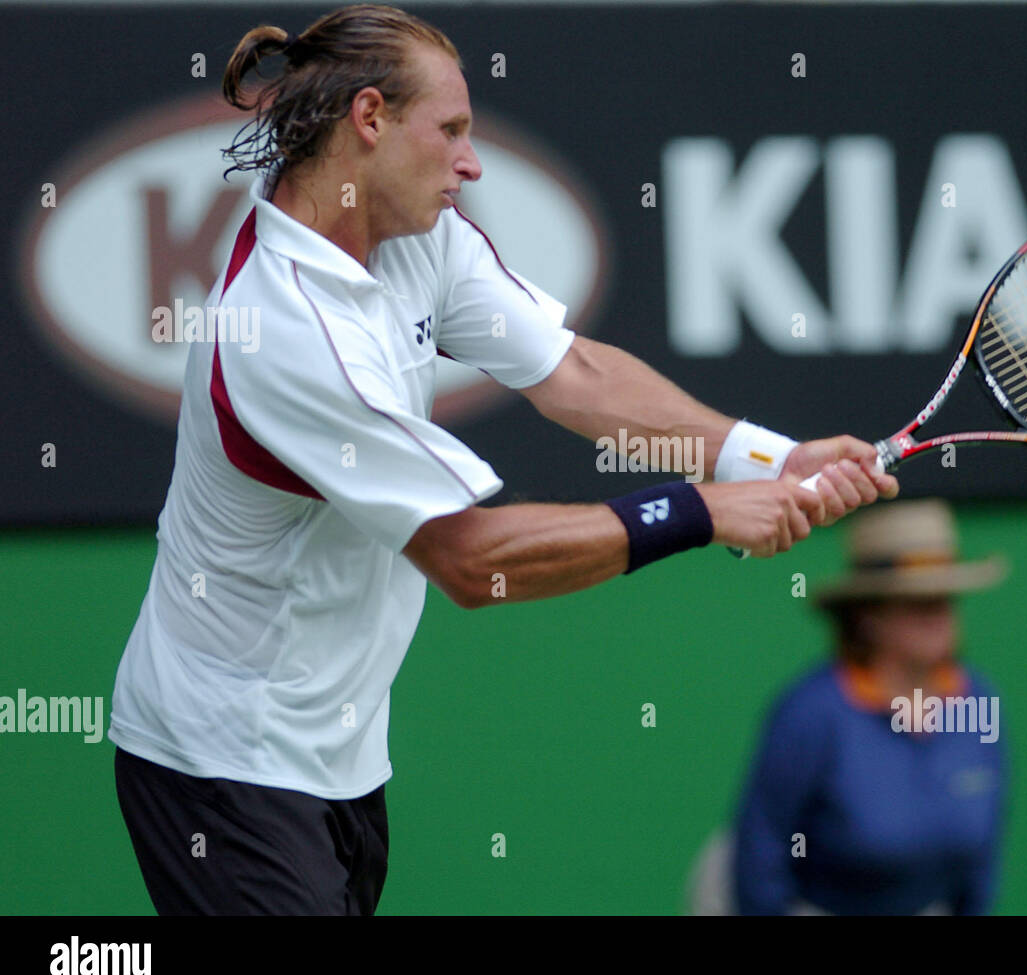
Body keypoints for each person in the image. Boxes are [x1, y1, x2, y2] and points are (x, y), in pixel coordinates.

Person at [107, 4, 898, 916]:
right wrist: (703, 511)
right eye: (449, 131)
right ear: (369, 120)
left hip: (341, 754)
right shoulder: (285, 332)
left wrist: (767, 458)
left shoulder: (414, 236)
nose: (470, 162)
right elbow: (471, 562)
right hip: (221, 765)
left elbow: (574, 375)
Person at [731, 499, 1008, 915]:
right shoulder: (811, 712)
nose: (939, 614)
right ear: (868, 616)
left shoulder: (980, 701)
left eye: (947, 597)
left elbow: (981, 865)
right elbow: (758, 863)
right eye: (918, 601)